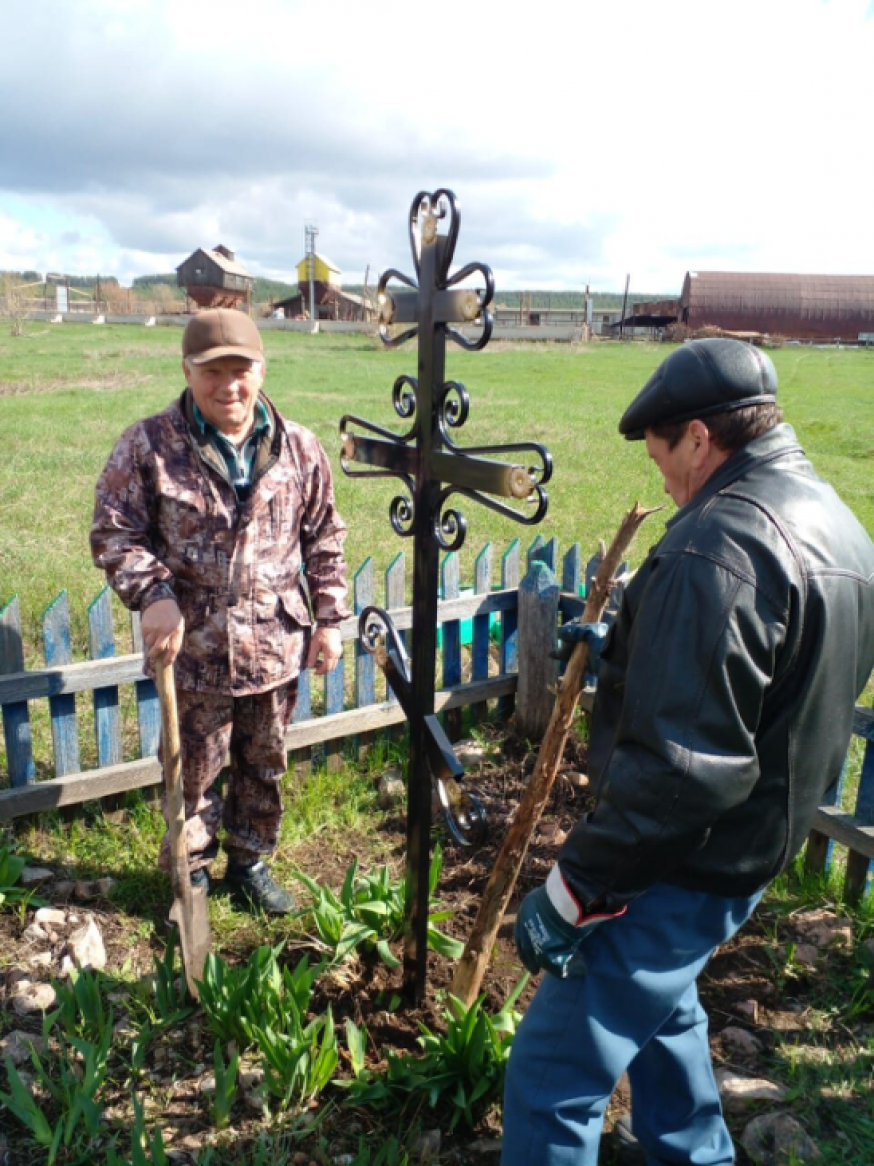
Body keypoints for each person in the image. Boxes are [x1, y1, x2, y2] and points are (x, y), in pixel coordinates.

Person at [502, 338, 874, 1165]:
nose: (664, 481)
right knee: (665, 1009)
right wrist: (630, 645)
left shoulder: (718, 544)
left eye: (663, 455)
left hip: (676, 865)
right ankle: (691, 1154)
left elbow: (681, 772)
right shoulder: (838, 524)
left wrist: (573, 891)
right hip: (750, 851)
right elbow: (768, 680)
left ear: (700, 438)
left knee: (552, 1077)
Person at [91, 308, 349, 914]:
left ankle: (252, 861)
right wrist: (153, 595)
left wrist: (331, 619)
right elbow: (114, 532)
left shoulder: (300, 447)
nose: (228, 385)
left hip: (276, 645)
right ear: (187, 370)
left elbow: (324, 536)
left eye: (241, 369)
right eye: (213, 371)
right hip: (196, 650)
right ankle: (194, 874)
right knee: (193, 773)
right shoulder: (148, 445)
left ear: (261, 369)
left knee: (265, 765)